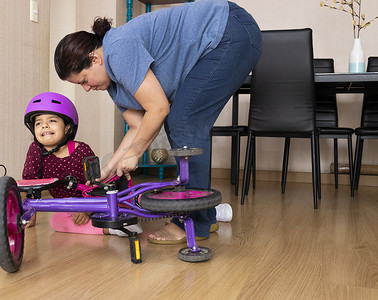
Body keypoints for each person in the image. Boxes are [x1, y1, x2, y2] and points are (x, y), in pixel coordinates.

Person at [54, 0, 261, 243]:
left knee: (183, 119)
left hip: (230, 30)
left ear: (95, 59)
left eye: (84, 81)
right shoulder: (115, 87)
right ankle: (204, 216)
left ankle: (190, 221)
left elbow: (159, 108)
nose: (87, 89)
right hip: (227, 35)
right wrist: (110, 168)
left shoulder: (118, 50)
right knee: (183, 119)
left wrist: (135, 153)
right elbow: (138, 126)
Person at [22, 92, 142, 236]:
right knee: (57, 220)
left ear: (67, 127)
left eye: (52, 121)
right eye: (38, 123)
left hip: (94, 201)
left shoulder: (82, 150)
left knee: (115, 204)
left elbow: (97, 184)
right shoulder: (35, 150)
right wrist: (30, 213)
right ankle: (113, 228)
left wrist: (87, 209)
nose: (45, 126)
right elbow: (31, 182)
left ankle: (121, 221)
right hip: (68, 208)